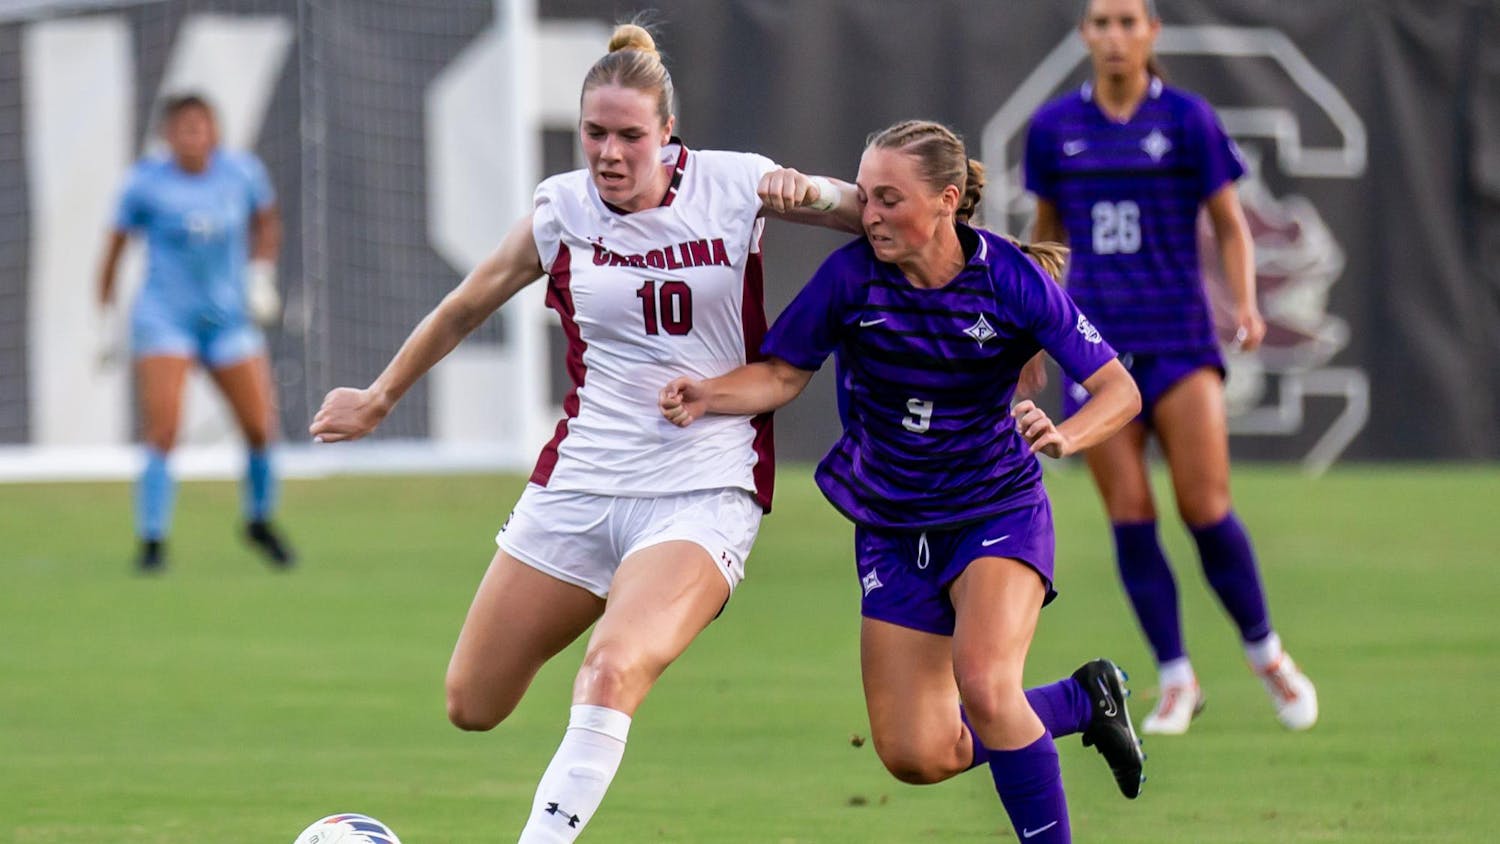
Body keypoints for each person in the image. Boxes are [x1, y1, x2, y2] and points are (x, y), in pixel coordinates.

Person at [309, 23, 868, 843]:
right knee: (472, 702)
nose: (610, 153)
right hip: (581, 484)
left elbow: (883, 216)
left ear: (668, 133)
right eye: (596, 133)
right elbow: (467, 303)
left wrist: (818, 197)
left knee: (611, 667)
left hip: (701, 486)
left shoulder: (736, 183)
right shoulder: (561, 208)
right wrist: (380, 395)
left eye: (630, 136)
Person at [659, 119, 1144, 843]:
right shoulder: (852, 277)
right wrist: (706, 393)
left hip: (995, 507)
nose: (869, 214)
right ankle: (1081, 700)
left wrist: (1065, 434)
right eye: (866, 196)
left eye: (889, 199)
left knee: (984, 687)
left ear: (948, 200)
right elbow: (783, 373)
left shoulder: (1009, 278)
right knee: (917, 754)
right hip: (892, 524)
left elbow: (1118, 391)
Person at [1020, 0, 1318, 735]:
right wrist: (1031, 329)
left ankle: (1266, 653)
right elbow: (1047, 241)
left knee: (1205, 507)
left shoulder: (1187, 118)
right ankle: (1176, 678)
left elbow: (1229, 222)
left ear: (1152, 31)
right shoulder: (1056, 129)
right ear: (1084, 35)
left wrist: (1245, 305)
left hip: (1181, 344)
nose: (1114, 35)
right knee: (1131, 518)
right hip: (1094, 351)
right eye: (1100, 22)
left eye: (1128, 20)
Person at [97, 92, 293, 573]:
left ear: (214, 132)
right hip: (166, 319)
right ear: (167, 135)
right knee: (163, 431)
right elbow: (115, 248)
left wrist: (261, 273)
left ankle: (259, 520)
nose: (193, 135)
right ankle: (152, 541)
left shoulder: (241, 173)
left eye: (201, 126)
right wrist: (105, 316)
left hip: (227, 320)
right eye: (183, 127)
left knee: (259, 426)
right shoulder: (145, 184)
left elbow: (266, 223)